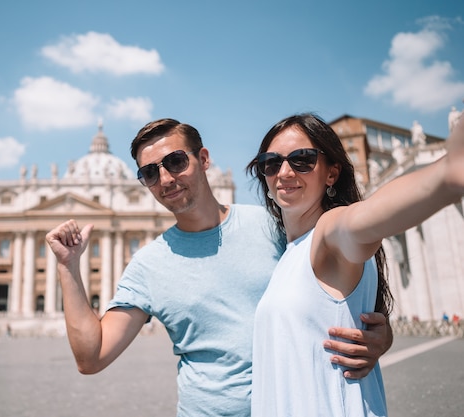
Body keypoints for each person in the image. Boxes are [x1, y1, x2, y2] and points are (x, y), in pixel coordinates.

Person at [46, 118, 393, 416]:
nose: (166, 178)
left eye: (176, 161)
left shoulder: (275, 225)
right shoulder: (147, 264)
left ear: (204, 159)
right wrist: (68, 267)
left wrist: (381, 334)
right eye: (150, 173)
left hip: (293, 404)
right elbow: (91, 358)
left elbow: (336, 278)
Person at [246, 113, 464, 416]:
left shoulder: (327, 230)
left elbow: (364, 218)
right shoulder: (290, 251)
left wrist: (447, 174)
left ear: (331, 174)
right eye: (271, 162)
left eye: (302, 160)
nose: (284, 172)